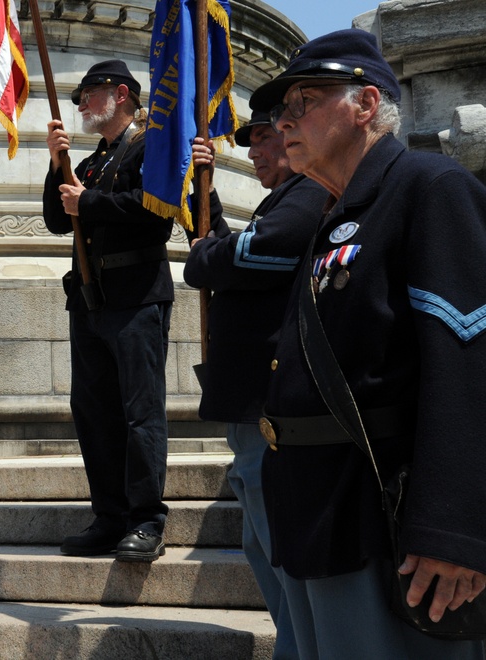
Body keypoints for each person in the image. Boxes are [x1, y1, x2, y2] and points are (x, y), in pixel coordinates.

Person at [249, 29, 486, 659]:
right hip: (317, 513)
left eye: (304, 101)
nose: (284, 121)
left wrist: (454, 529)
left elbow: (467, 366)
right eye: (282, 108)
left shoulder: (429, 189)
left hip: (386, 525)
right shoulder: (339, 214)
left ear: (365, 104)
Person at [43, 59, 221, 561]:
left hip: (136, 294)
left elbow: (153, 213)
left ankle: (146, 518)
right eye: (78, 95)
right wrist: (56, 163)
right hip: (90, 298)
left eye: (88, 93)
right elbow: (58, 219)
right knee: (93, 411)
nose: (80, 103)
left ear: (120, 94)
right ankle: (109, 515)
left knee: (139, 411)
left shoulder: (149, 148)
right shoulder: (93, 161)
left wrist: (90, 203)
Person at [183, 110, 329, 658]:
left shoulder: (307, 194)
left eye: (264, 139)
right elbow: (228, 254)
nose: (256, 153)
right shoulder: (281, 199)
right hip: (248, 403)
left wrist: (207, 259)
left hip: (265, 405)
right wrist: (208, 201)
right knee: (261, 545)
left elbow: (239, 259)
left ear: (294, 135)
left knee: (279, 551)